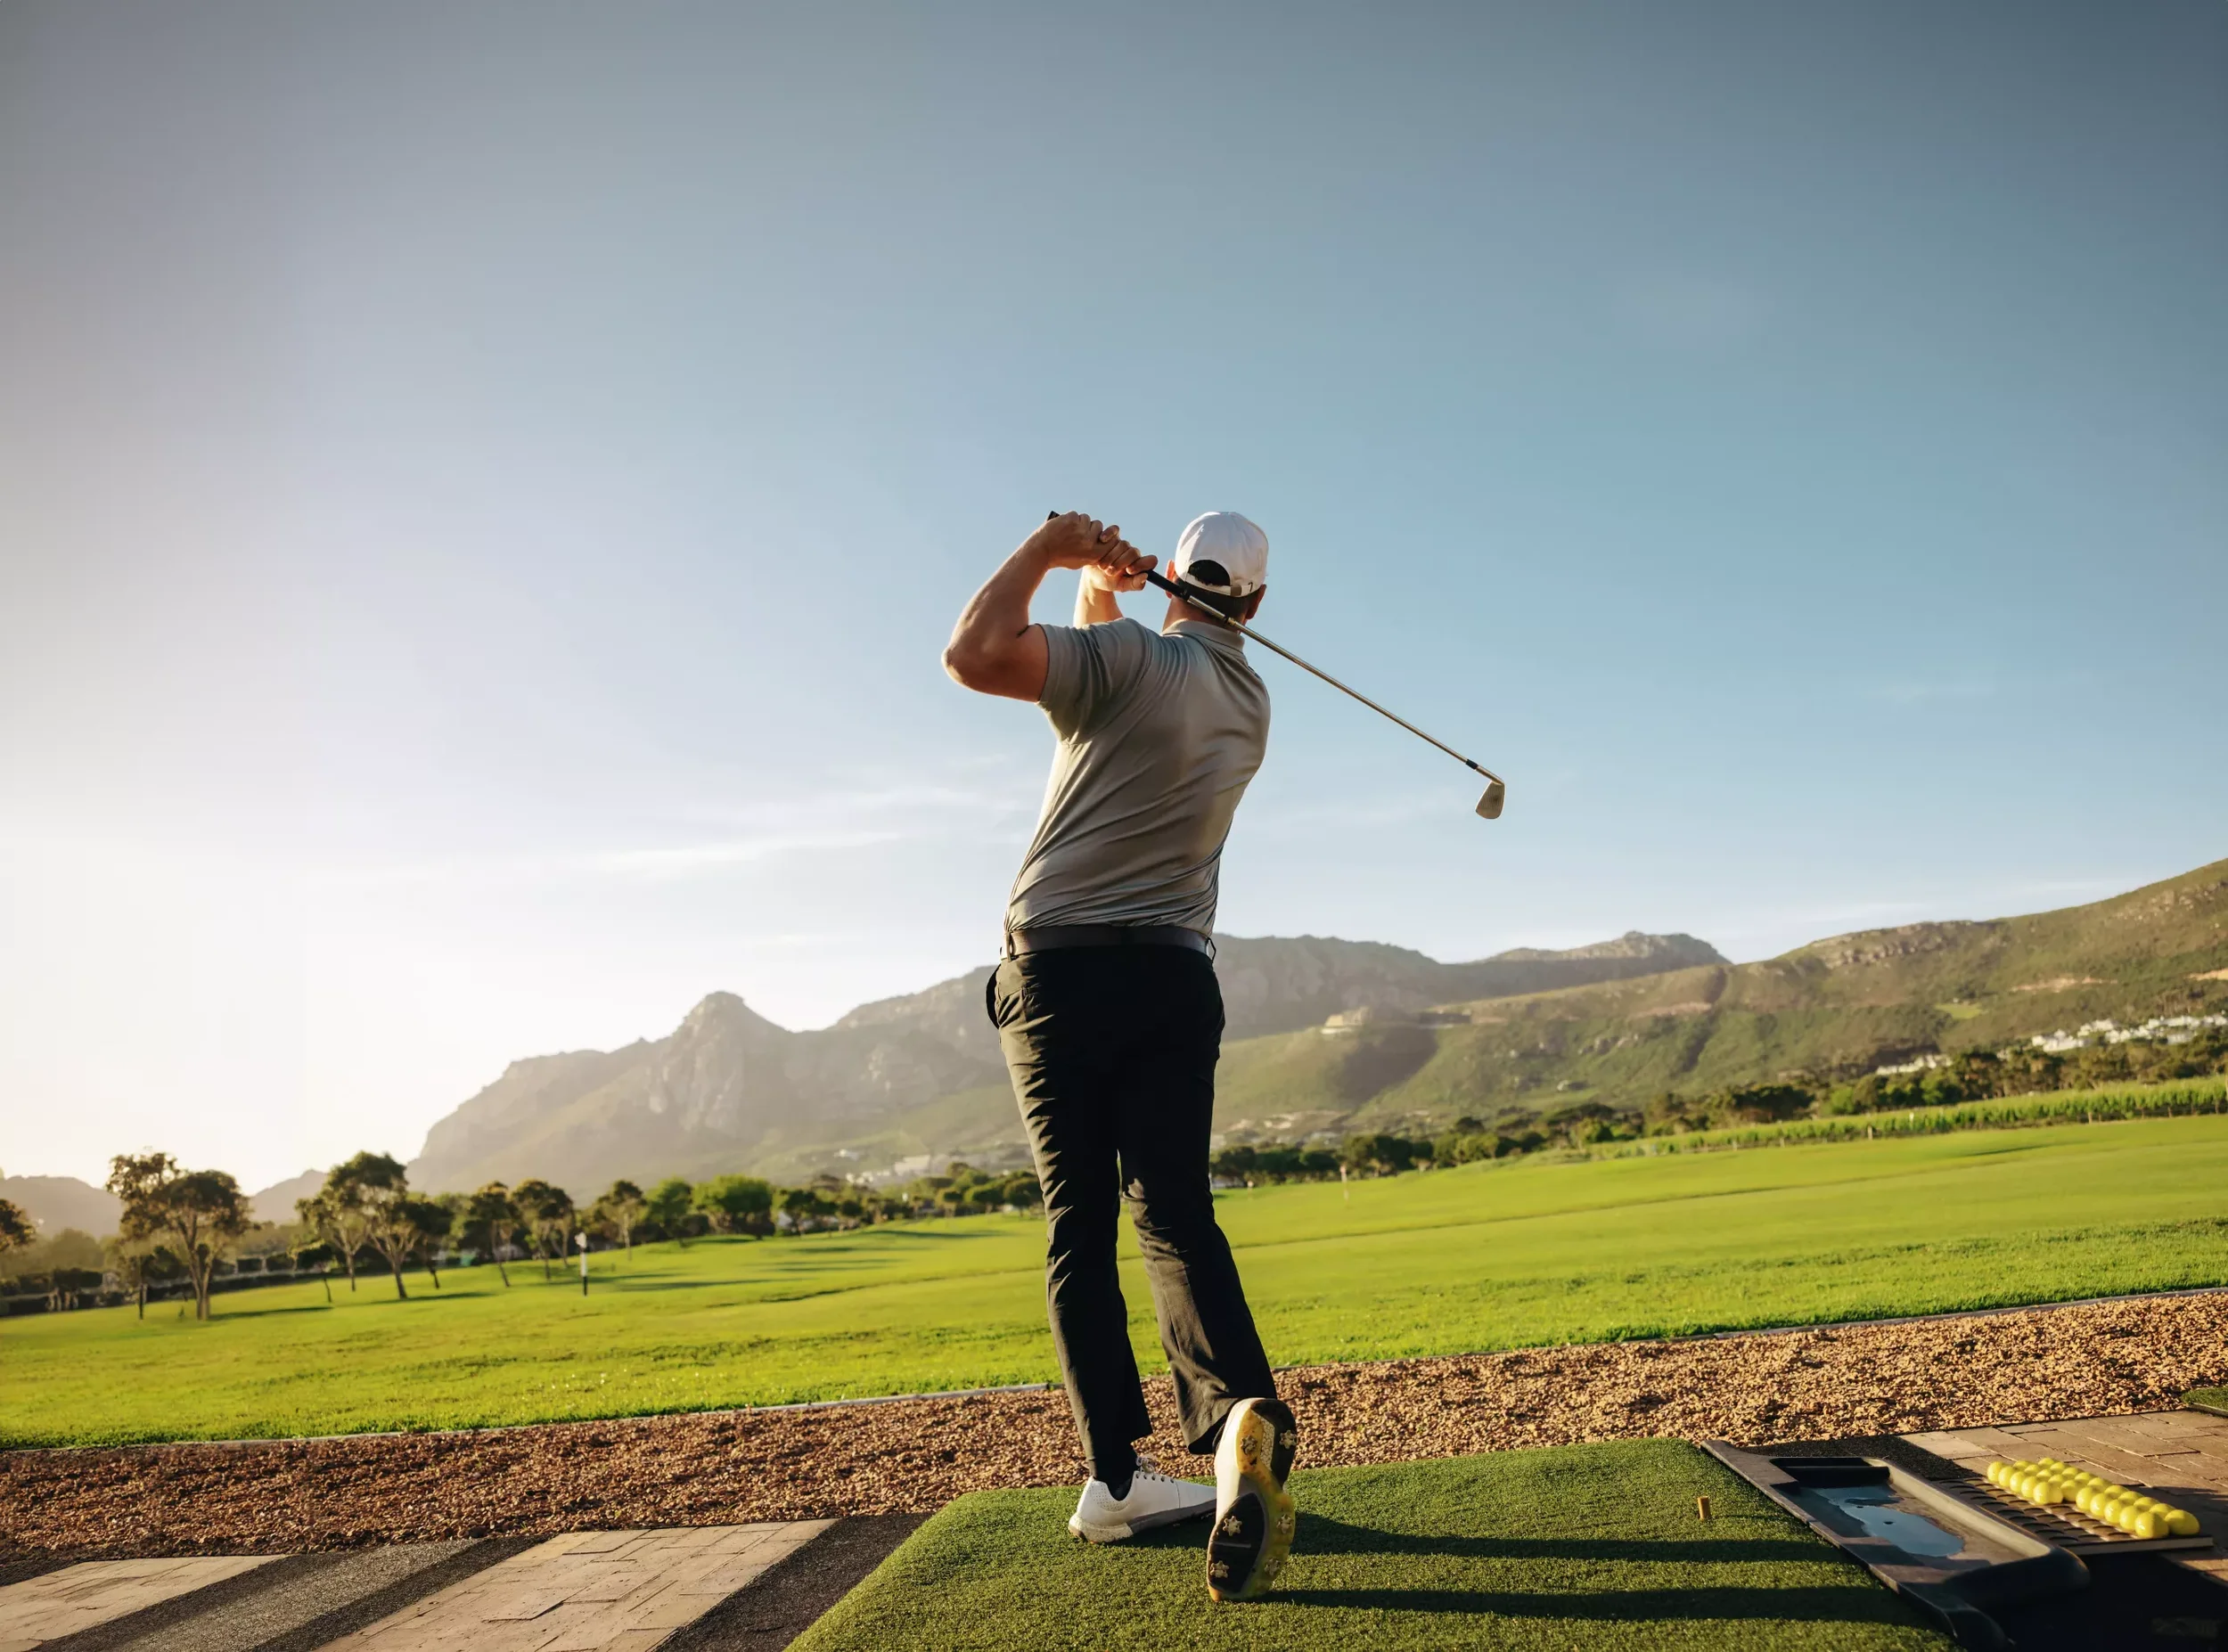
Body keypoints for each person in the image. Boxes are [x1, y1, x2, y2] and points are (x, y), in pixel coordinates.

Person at [942, 509, 1300, 1603]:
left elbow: (976, 656)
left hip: (1059, 975)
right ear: (1256, 602)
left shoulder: (1130, 659)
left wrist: (1050, 549)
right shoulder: (1248, 700)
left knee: (1078, 1225)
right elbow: (1107, 669)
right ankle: (1235, 1414)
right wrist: (1106, 590)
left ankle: (1114, 1480)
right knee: (1174, 1215)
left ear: (1172, 578)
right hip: (1174, 978)